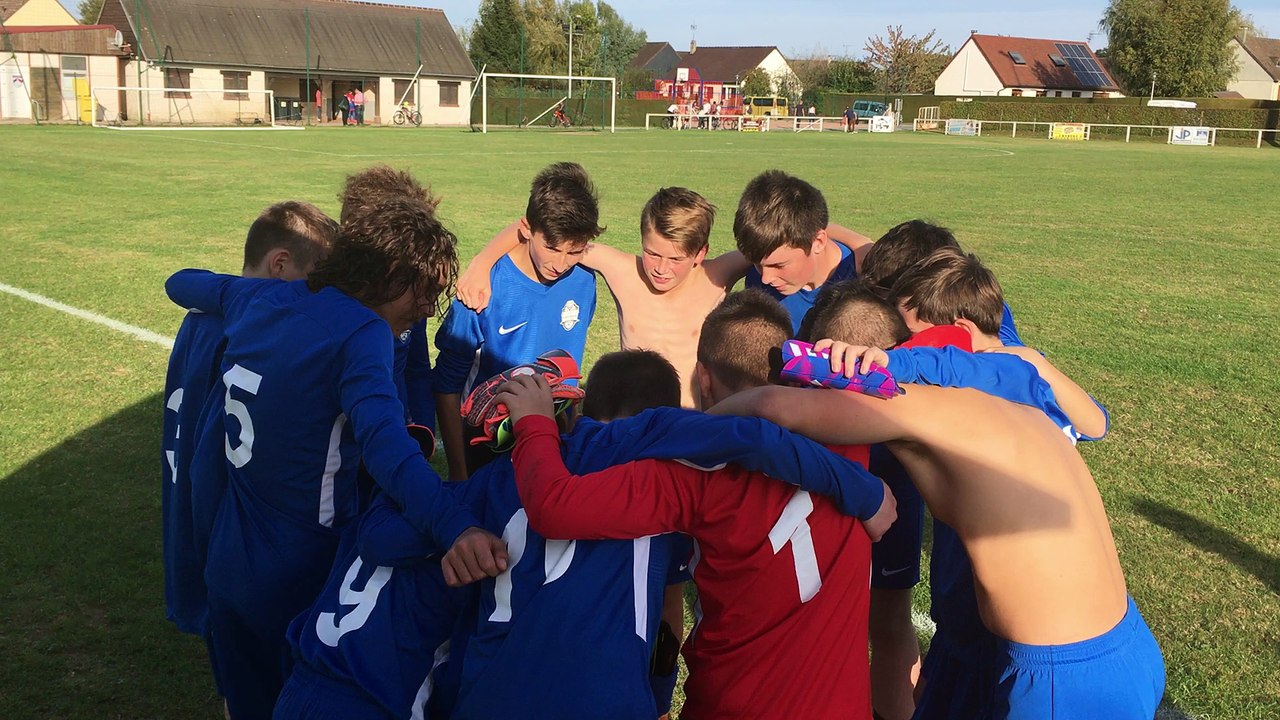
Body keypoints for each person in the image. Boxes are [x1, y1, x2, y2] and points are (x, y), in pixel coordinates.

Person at [165, 196, 507, 720]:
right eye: (426, 292)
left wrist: (238, 290)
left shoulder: (256, 297)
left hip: (228, 554)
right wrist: (456, 526)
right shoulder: (361, 331)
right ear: (392, 274)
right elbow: (389, 451)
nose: (426, 311)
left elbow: (179, 282)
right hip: (299, 566)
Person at [499, 291, 890, 719]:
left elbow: (555, 507)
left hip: (734, 704)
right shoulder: (854, 429)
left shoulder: (691, 473)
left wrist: (535, 423)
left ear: (703, 378)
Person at [704, 360, 1165, 719]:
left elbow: (772, 408)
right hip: (1123, 643)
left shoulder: (920, 405)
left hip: (1063, 681)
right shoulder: (1013, 402)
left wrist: (689, 425)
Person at [161, 201, 337, 709]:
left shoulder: (205, 319)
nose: (318, 296)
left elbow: (180, 281)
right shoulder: (249, 332)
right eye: (313, 281)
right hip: (233, 538)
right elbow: (209, 461)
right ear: (279, 265)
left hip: (209, 536)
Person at [457, 187, 740, 407]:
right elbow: (545, 230)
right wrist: (482, 264)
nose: (661, 268)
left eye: (675, 258)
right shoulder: (623, 270)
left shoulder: (715, 275)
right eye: (652, 254)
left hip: (690, 423)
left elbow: (767, 245)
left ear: (700, 254)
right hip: (632, 426)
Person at [434, 161, 602, 480]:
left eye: (575, 252)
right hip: (486, 448)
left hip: (552, 443)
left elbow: (568, 366)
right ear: (525, 229)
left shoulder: (584, 281)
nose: (561, 263)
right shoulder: (482, 289)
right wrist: (459, 472)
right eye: (551, 248)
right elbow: (446, 385)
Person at [339, 165, 442, 430]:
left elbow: (417, 370)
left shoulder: (410, 298)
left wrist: (423, 431)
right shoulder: (329, 314)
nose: (429, 308)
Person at [736, 169, 875, 333]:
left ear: (818, 242)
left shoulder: (868, 280)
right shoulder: (757, 278)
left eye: (779, 265)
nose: (766, 279)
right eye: (758, 265)